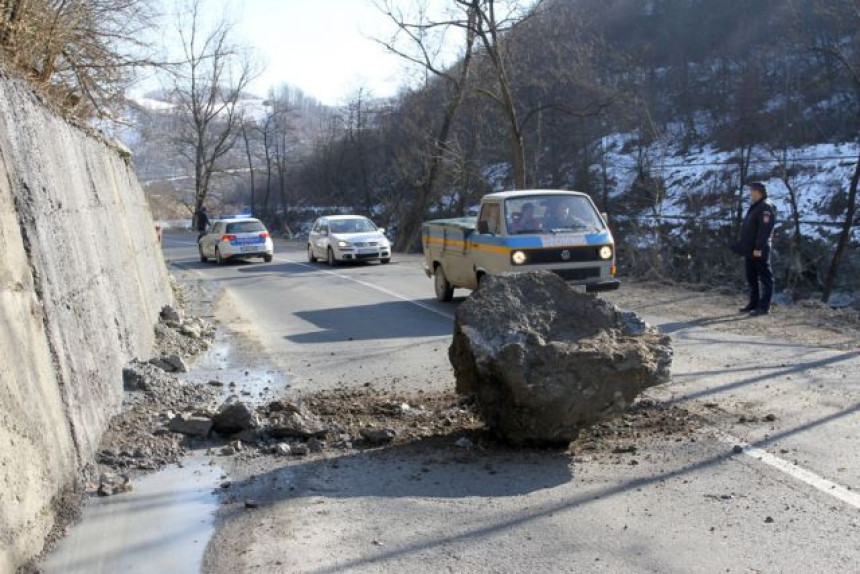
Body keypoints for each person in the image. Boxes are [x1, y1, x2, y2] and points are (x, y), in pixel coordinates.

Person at [736, 182, 777, 316]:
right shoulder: (756, 206)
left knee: (765, 278)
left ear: (758, 192)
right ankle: (753, 303)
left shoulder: (766, 207)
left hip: (759, 249)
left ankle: (764, 307)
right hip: (750, 249)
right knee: (751, 277)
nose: (750, 194)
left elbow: (765, 229)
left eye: (752, 191)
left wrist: (758, 247)